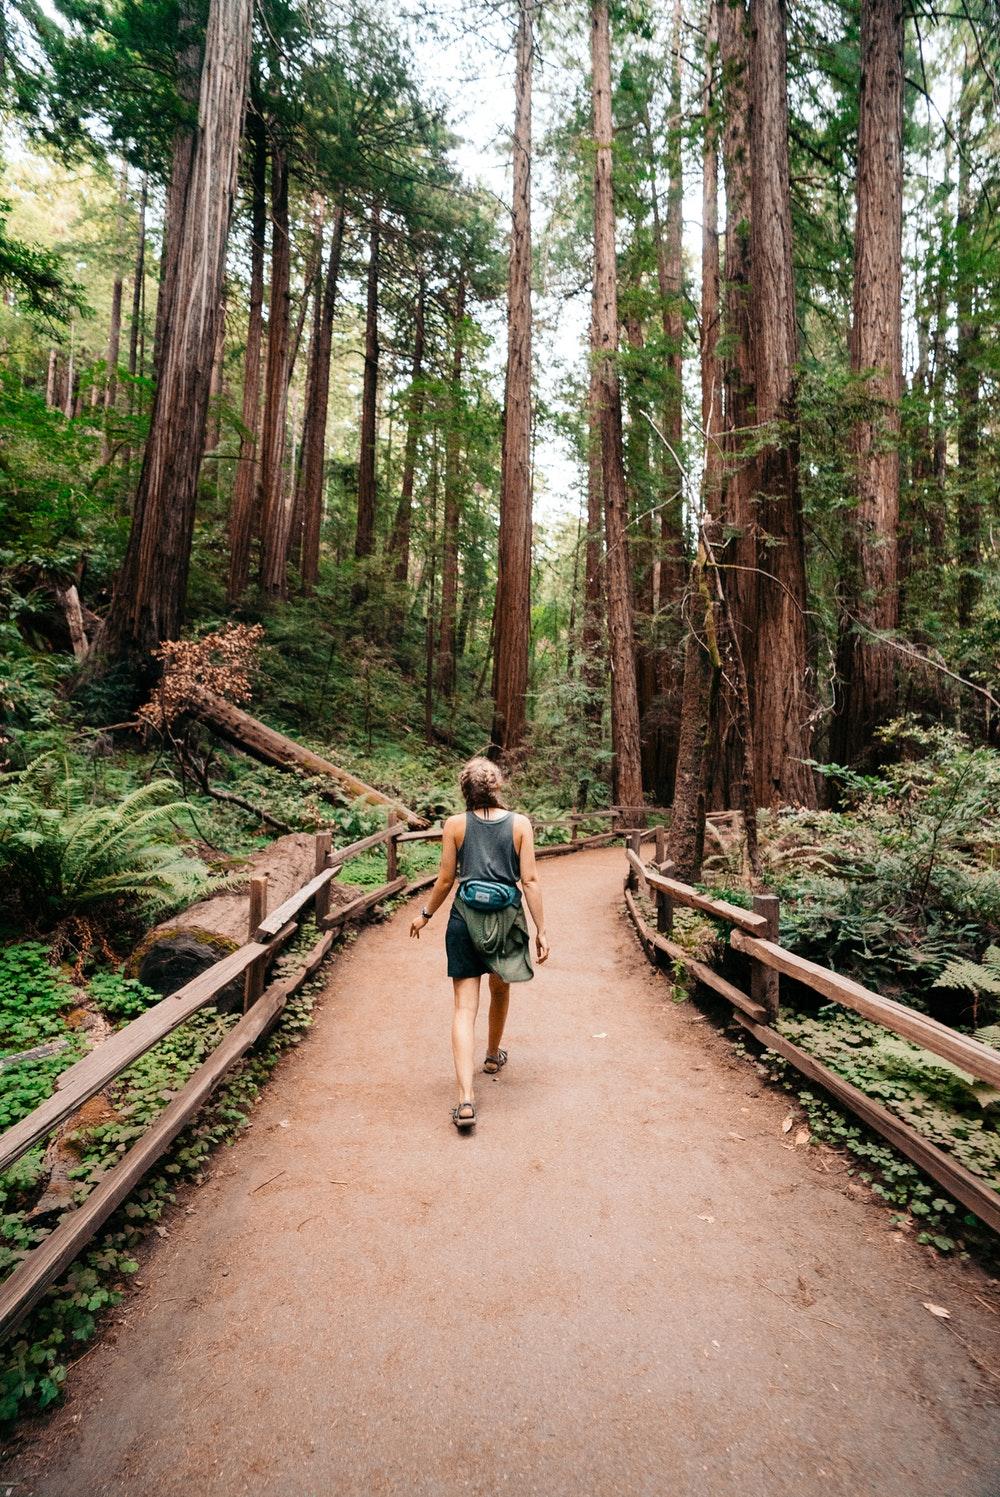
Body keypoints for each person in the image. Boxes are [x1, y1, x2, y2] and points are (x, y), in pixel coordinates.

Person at [409, 756, 549, 1130]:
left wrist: (424, 915)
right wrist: (541, 929)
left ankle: (465, 1099)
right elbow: (530, 881)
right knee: (500, 988)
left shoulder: (455, 825)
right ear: (497, 785)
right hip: (505, 923)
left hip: (463, 921)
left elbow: (444, 880)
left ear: (465, 789)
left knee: (462, 1008)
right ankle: (491, 1055)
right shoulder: (520, 824)